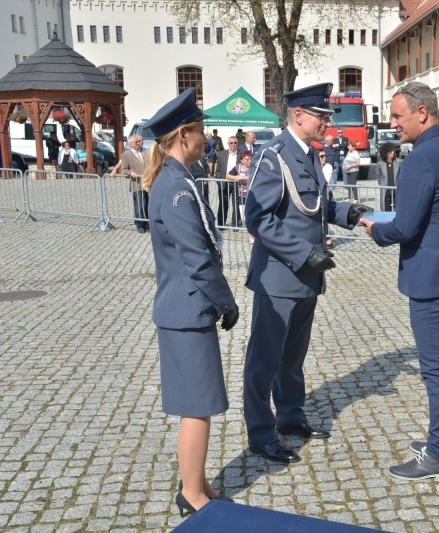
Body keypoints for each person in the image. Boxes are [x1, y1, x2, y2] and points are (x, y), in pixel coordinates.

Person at [359, 82, 439, 480]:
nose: (392, 123)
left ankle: (438, 456)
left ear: (422, 113)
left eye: (397, 116)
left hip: (434, 280)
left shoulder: (420, 159)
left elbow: (404, 226)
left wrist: (374, 230)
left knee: (436, 368)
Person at [242, 82, 373, 464]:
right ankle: (261, 434)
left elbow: (316, 205)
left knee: (292, 357)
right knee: (264, 360)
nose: (327, 125)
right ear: (298, 116)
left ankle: (290, 415)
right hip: (279, 277)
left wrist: (348, 214)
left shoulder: (309, 156)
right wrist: (305, 253)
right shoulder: (273, 156)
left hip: (305, 278)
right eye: (321, 117)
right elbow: (258, 219)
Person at [141, 88, 239, 517]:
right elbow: (197, 258)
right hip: (187, 309)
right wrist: (226, 301)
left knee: (199, 405)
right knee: (197, 408)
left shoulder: (175, 180)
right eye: (201, 132)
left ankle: (197, 483)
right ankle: (191, 495)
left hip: (184, 308)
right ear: (183, 136)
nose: (206, 139)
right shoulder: (176, 188)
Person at [118, 134, 150, 233]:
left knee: (148, 204)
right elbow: (123, 170)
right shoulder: (126, 155)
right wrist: (130, 173)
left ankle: (148, 223)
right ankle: (140, 224)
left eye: (141, 141)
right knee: (139, 205)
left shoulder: (145, 151)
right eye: (137, 142)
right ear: (131, 144)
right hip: (137, 184)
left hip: (148, 183)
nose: (140, 143)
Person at [214, 136, 240, 227]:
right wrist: (219, 180)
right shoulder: (222, 154)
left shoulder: (241, 154)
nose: (233, 145)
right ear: (228, 144)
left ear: (237, 144)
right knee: (223, 203)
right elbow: (218, 169)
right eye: (231, 143)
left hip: (236, 183)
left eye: (235, 143)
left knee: (236, 205)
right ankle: (221, 224)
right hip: (224, 183)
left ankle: (235, 224)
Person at [228, 150, 253, 242]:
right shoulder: (238, 167)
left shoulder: (254, 167)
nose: (249, 160)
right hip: (242, 195)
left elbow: (255, 177)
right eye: (247, 159)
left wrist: (242, 178)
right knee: (244, 217)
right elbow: (227, 175)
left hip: (253, 195)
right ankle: (251, 233)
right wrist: (235, 177)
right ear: (242, 160)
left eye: (251, 158)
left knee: (252, 216)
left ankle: (253, 236)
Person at [375, 142, 400, 211]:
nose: (393, 152)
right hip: (385, 191)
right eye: (390, 151)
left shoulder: (398, 162)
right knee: (386, 210)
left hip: (396, 190)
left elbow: (401, 174)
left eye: (393, 150)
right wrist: (381, 183)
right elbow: (378, 175)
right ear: (385, 152)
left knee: (397, 210)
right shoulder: (380, 164)